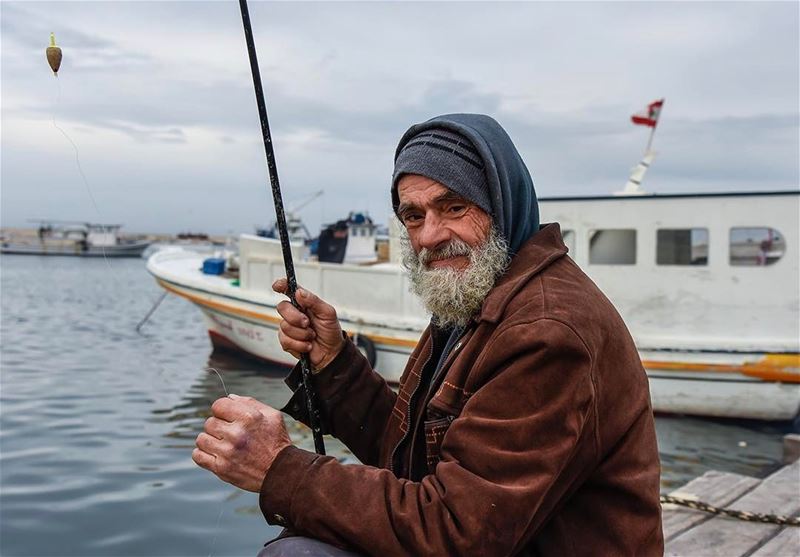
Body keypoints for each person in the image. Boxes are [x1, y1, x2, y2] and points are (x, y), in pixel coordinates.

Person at [193, 114, 664, 556]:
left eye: (453, 207)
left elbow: (460, 530)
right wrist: (334, 364)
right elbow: (412, 457)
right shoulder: (481, 296)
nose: (430, 236)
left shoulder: (545, 332)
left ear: (501, 204)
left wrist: (281, 470)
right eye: (413, 216)